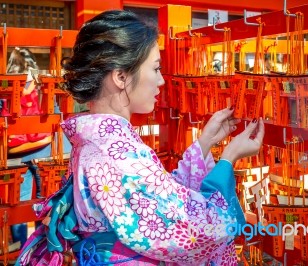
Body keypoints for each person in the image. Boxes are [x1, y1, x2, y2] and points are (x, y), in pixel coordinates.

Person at [17, 10, 264, 265]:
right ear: (121, 76)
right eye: (156, 69)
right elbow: (193, 229)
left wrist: (204, 143)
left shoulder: (100, 143)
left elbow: (160, 201)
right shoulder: (115, 153)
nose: (161, 81)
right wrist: (228, 159)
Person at [6, 48, 45, 249]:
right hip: (41, 144)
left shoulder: (7, 82)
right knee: (43, 198)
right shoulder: (39, 82)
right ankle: (43, 247)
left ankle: (21, 247)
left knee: (18, 201)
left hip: (15, 148)